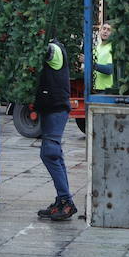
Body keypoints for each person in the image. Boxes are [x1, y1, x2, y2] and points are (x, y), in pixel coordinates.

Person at [34, 37, 77, 221]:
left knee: (50, 152)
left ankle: (66, 201)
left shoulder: (55, 49)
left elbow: (44, 53)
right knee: (52, 153)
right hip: (50, 107)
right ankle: (62, 199)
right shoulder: (52, 48)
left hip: (56, 107)